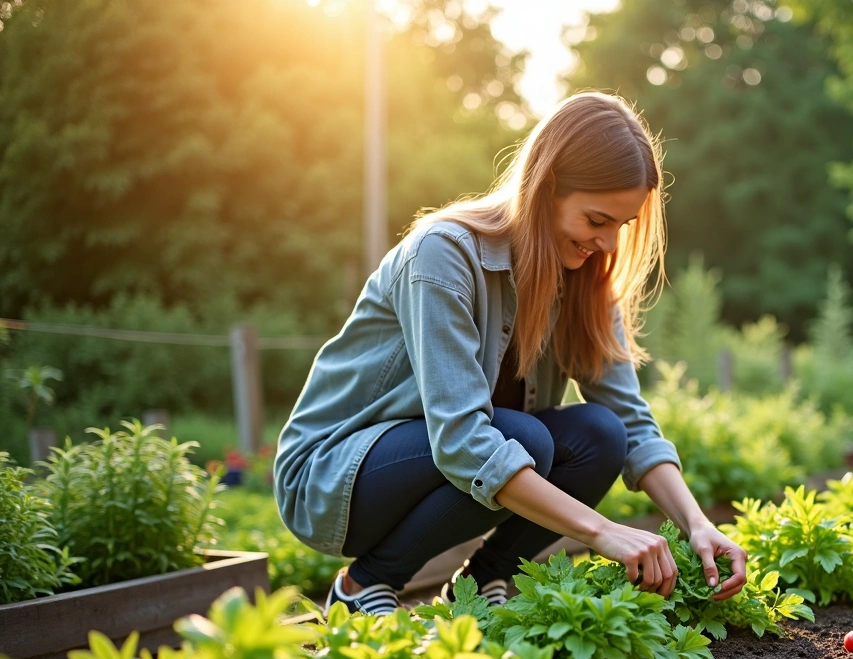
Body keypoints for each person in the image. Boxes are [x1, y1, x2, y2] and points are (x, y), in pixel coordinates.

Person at [273, 92, 747, 616]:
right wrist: (603, 532)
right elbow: (461, 440)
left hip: (439, 462)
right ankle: (365, 586)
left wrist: (698, 523)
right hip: (333, 477)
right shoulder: (444, 254)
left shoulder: (585, 280)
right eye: (596, 220)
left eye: (622, 225)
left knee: (600, 435)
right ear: (546, 189)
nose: (609, 243)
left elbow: (629, 423)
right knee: (523, 438)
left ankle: (480, 583)